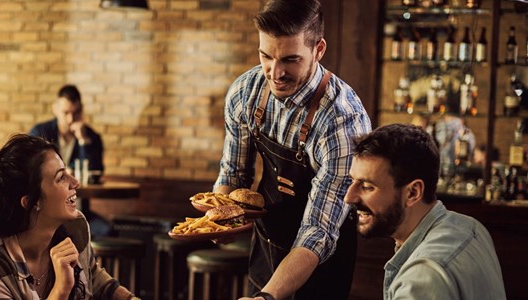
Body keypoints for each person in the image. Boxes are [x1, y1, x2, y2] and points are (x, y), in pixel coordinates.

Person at [214, 1, 372, 299]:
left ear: (318, 49)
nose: (275, 72)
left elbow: (318, 232)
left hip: (319, 266)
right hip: (266, 247)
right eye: (266, 56)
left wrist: (267, 297)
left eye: (290, 59)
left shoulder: (342, 121)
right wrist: (219, 222)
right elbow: (233, 175)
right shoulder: (246, 92)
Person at [0, 134, 137, 300]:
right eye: (61, 178)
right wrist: (61, 289)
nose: (75, 183)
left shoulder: (75, 226)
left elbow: (92, 275)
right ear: (31, 202)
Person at [345, 123, 506, 300]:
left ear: (413, 192)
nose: (349, 197)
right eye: (352, 181)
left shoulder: (421, 280)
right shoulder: (471, 227)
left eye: (367, 186)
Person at [30, 84, 104, 175]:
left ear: (81, 110)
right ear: (55, 109)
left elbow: (95, 171)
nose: (71, 119)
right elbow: (32, 167)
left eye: (76, 113)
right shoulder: (40, 132)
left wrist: (83, 141)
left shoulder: (92, 137)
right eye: (65, 113)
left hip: (79, 189)